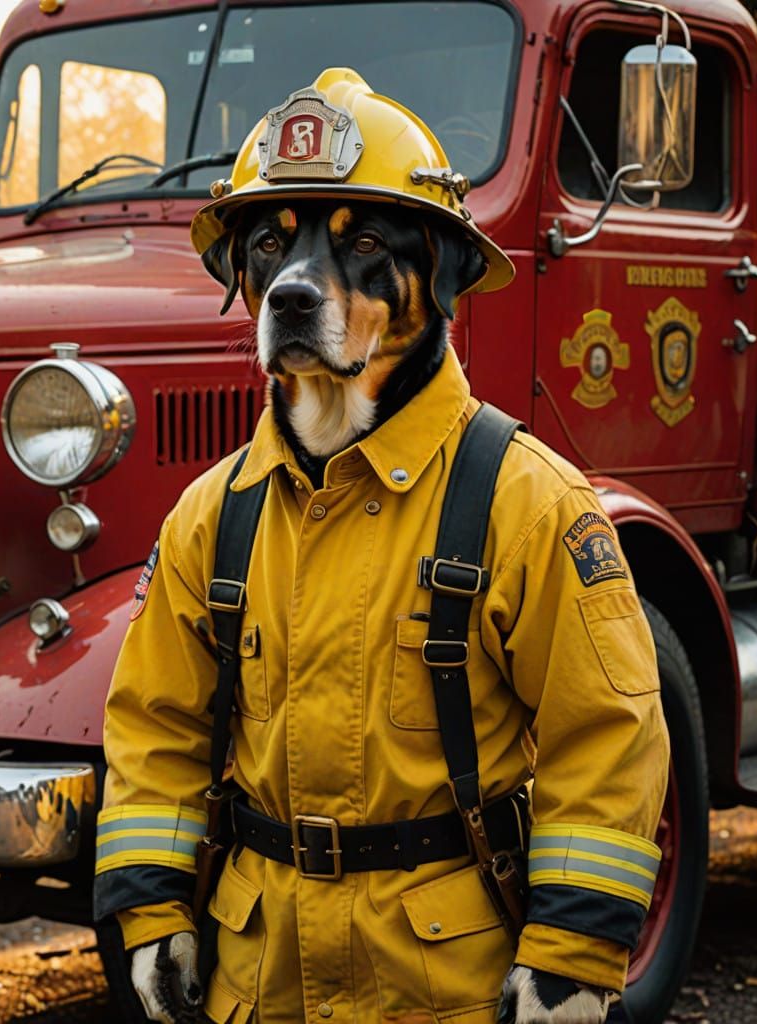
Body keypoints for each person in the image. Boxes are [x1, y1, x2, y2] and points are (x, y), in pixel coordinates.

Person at [94, 68, 670, 1024]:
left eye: (361, 247)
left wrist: (570, 956)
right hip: (261, 982)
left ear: (438, 277)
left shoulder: (529, 507)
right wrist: (149, 911)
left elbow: (605, 738)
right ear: (242, 280)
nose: (298, 283)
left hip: (443, 990)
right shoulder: (212, 516)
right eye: (271, 251)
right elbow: (156, 728)